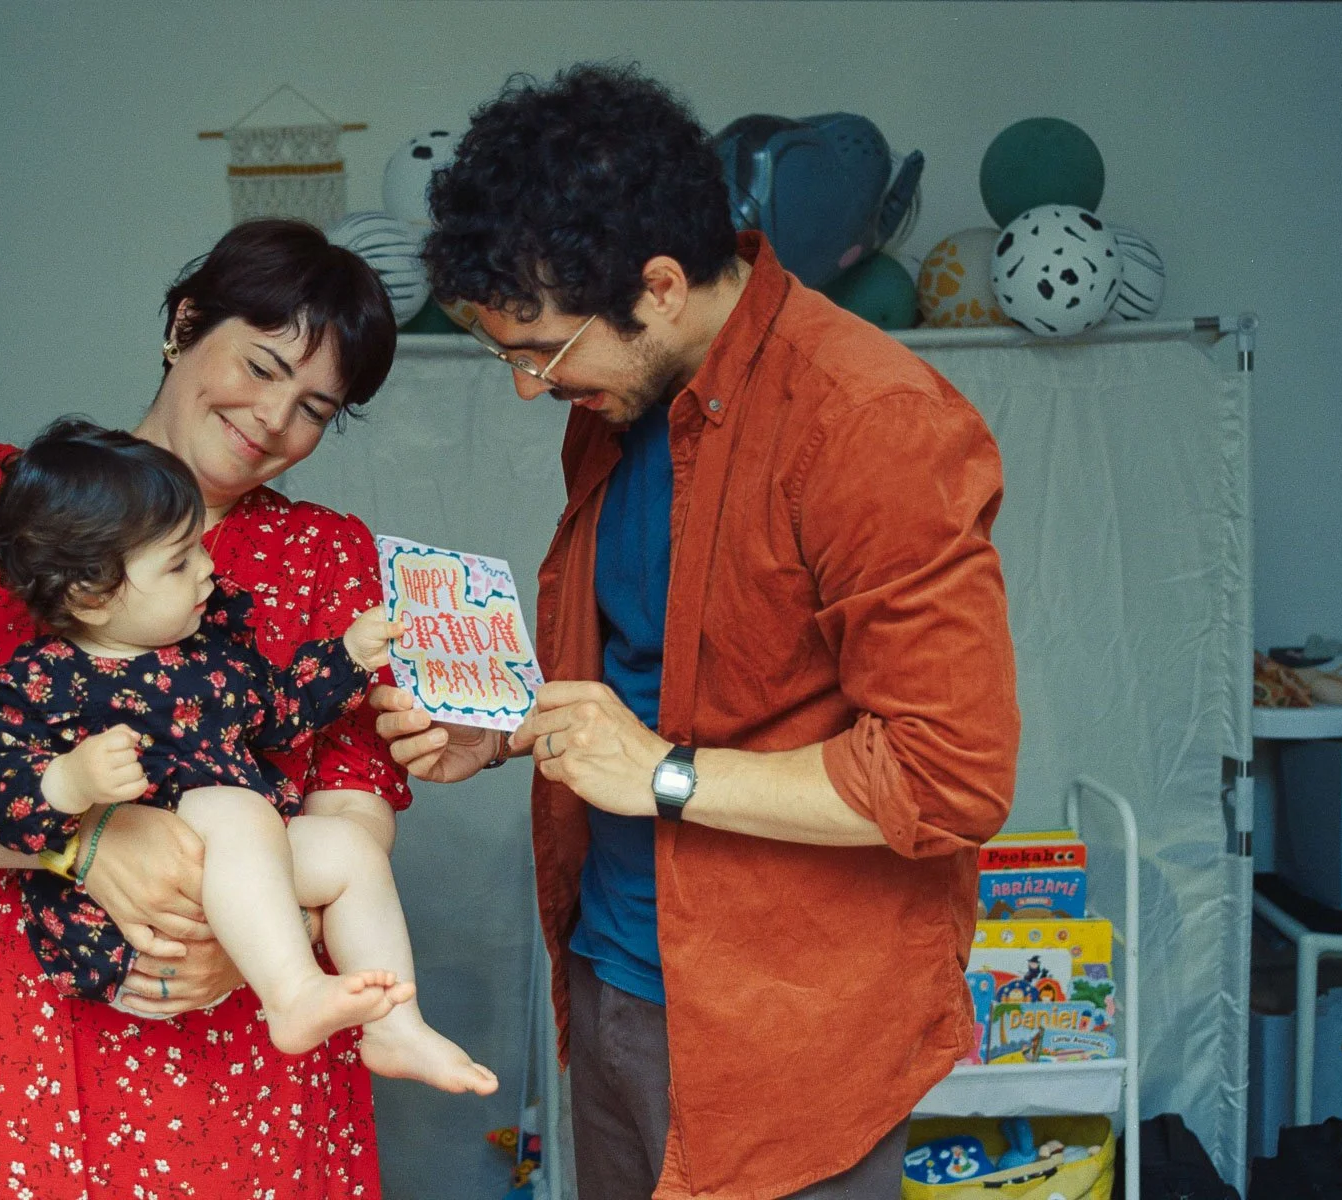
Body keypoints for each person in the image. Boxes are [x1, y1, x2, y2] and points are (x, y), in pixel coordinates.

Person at [373, 65, 1021, 1199]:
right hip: (613, 976)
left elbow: (947, 775)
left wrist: (665, 779)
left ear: (662, 285)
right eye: (508, 356)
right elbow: (661, 671)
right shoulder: (621, 403)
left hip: (784, 1028)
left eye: (543, 352)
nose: (529, 389)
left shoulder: (871, 421)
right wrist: (509, 727)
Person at [0, 219, 432, 1197]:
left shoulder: (327, 554)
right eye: (259, 366)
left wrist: (243, 938)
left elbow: (350, 800)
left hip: (245, 1023)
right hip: (16, 1005)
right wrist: (87, 845)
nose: (272, 420)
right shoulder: (17, 501)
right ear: (185, 323)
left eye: (314, 407)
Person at [0, 417, 498, 1092]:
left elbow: (278, 717)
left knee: (344, 848)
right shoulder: (43, 683)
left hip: (234, 876)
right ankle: (293, 993)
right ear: (90, 595)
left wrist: (351, 657)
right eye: (179, 560)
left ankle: (395, 1027)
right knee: (235, 808)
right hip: (121, 912)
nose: (208, 570)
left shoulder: (212, 653)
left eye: (200, 549)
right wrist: (68, 781)